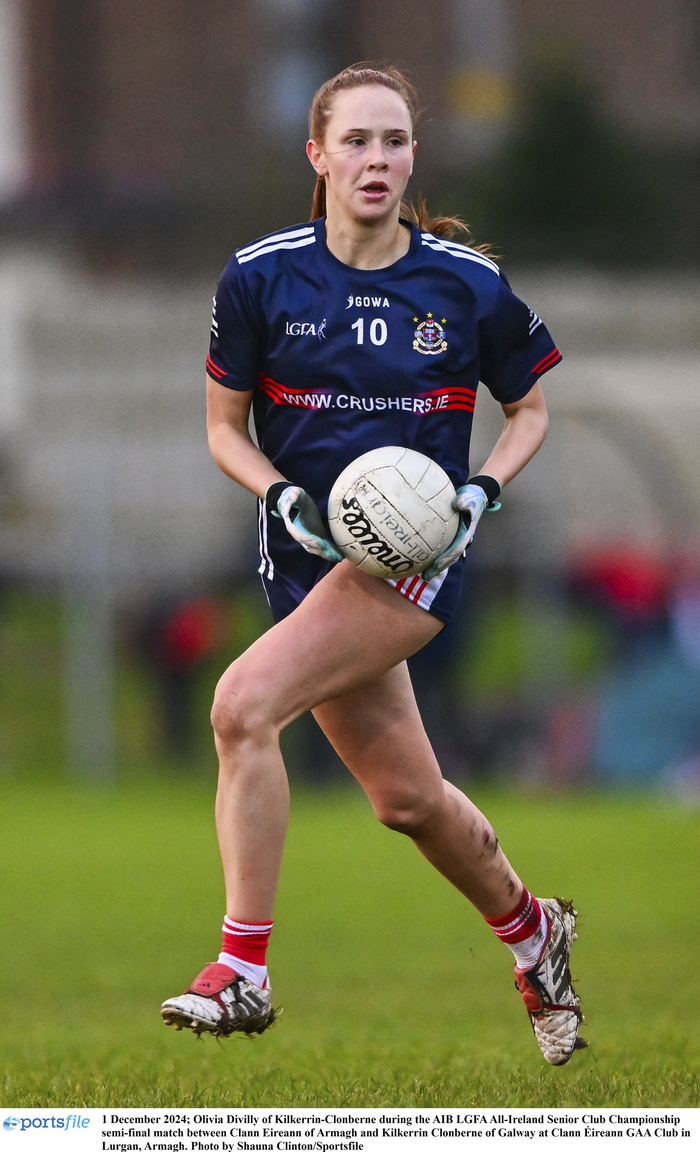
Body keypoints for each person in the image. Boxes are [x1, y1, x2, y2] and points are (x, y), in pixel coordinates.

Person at [161, 65, 585, 1066]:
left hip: (413, 562)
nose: (377, 160)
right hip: (303, 561)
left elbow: (529, 406)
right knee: (407, 800)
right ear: (317, 156)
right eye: (356, 141)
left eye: (394, 141)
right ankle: (534, 933)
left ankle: (243, 972)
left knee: (240, 705)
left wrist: (481, 491)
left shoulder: (464, 284)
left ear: (411, 157)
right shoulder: (260, 276)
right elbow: (224, 431)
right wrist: (281, 497)